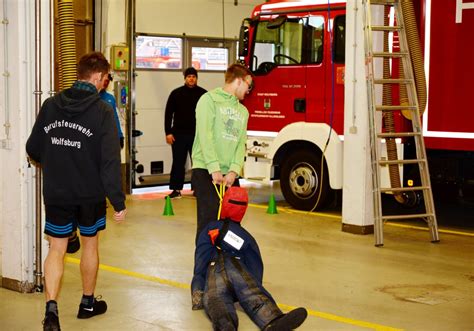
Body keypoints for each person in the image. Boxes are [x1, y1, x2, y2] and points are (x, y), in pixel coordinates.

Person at [26, 51, 127, 331]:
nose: (106, 83)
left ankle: (51, 312)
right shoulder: (103, 111)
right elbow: (109, 163)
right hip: (89, 194)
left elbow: (33, 148)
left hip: (57, 191)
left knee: (57, 249)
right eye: (105, 78)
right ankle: (87, 303)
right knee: (90, 243)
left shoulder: (50, 106)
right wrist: (118, 202)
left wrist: (58, 157)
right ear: (96, 77)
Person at [191, 187, 308, 331]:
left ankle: (225, 325)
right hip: (239, 276)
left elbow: (201, 261)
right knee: (253, 293)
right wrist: (252, 284)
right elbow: (255, 267)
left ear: (224, 204)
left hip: (213, 274)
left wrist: (197, 288)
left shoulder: (211, 228)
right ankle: (273, 320)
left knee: (216, 300)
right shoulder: (247, 238)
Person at [191, 63, 253, 243]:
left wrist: (234, 170)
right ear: (239, 81)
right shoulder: (208, 100)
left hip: (230, 176)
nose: (249, 90)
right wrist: (214, 168)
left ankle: (225, 269)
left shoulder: (243, 111)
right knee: (208, 224)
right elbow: (205, 135)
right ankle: (202, 270)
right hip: (206, 171)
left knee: (232, 227)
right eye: (248, 85)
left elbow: (241, 143)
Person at [164, 67, 207, 199]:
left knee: (199, 163)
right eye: (189, 76)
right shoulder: (176, 93)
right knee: (178, 162)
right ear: (185, 78)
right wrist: (168, 132)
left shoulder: (203, 94)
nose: (191, 78)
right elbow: (168, 114)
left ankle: (198, 189)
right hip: (179, 135)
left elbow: (208, 114)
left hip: (197, 135)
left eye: (193, 76)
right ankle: (176, 190)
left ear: (196, 78)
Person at [100, 73, 125, 149]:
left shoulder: (110, 98)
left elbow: (115, 117)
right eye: (105, 81)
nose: (106, 83)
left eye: (108, 81)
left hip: (109, 138)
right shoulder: (92, 97)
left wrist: (120, 135)